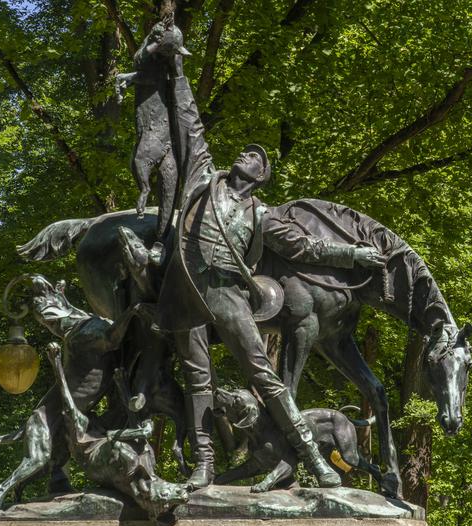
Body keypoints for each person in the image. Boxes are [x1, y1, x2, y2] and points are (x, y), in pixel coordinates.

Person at [152, 30, 385, 489]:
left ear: (261, 178)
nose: (247, 154)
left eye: (256, 157)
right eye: (246, 152)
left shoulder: (262, 215)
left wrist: (353, 253)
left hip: (227, 293)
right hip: (184, 289)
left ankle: (313, 462)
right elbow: (189, 122)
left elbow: (307, 247)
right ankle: (204, 466)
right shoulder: (203, 180)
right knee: (198, 379)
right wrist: (176, 68)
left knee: (265, 376)